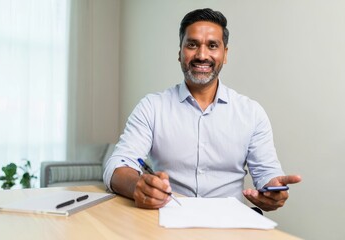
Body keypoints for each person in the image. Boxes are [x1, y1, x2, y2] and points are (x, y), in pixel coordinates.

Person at [103, 8, 301, 211]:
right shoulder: (152, 107)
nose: (202, 55)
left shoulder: (251, 113)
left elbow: (268, 176)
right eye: (192, 45)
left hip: (228, 227)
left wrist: (273, 191)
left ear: (225, 54)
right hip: (166, 222)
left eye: (212, 45)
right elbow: (117, 166)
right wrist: (138, 186)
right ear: (180, 53)